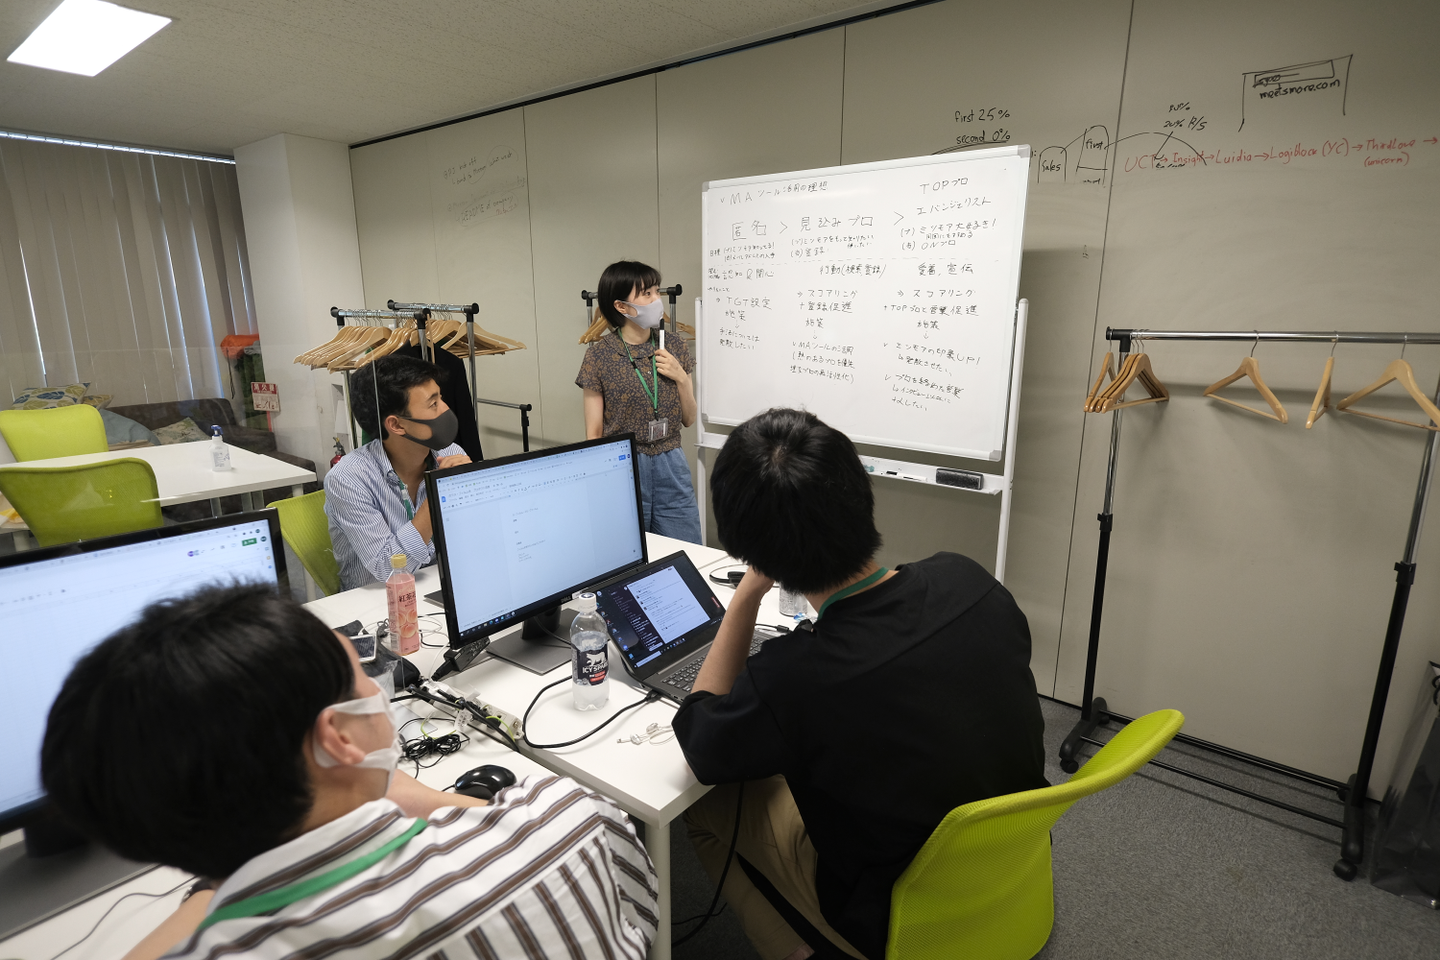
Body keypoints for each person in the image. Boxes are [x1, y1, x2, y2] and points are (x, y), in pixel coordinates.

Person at [41, 584, 657, 960]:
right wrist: (401, 793)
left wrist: (212, 891)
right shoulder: (564, 817)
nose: (378, 683)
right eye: (361, 673)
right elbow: (640, 915)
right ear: (336, 737)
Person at [672, 408, 1047, 960]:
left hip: (893, 916)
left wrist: (747, 594)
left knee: (707, 806)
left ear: (753, 551)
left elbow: (698, 736)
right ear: (859, 495)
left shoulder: (795, 676)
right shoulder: (970, 579)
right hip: (1013, 865)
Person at [576, 260, 702, 542]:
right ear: (621, 306)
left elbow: (689, 419)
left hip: (671, 461)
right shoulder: (599, 356)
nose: (657, 299)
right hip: (623, 464)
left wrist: (681, 378)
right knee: (630, 552)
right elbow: (594, 434)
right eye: (647, 293)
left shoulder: (674, 345)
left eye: (657, 291)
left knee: (686, 547)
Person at [325, 355, 470, 590]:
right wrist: (439, 492)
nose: (445, 409)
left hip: (436, 586)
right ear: (397, 425)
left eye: (441, 398)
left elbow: (471, 537)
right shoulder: (348, 479)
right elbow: (387, 569)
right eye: (433, 404)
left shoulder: (450, 453)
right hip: (377, 601)